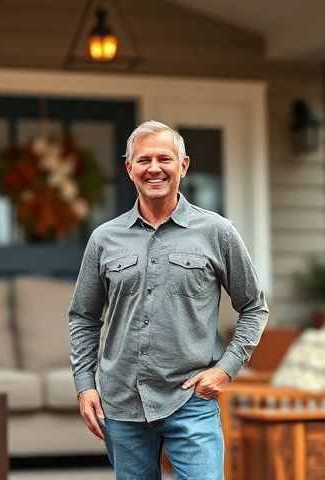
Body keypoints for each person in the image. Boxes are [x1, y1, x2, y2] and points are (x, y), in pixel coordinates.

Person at [68, 120, 268, 479]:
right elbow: (83, 316)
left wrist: (226, 369)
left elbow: (254, 306)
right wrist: (85, 384)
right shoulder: (103, 239)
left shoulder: (218, 232)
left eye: (165, 159)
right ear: (129, 169)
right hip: (123, 403)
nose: (154, 168)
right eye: (144, 160)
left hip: (191, 400)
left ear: (183, 165)